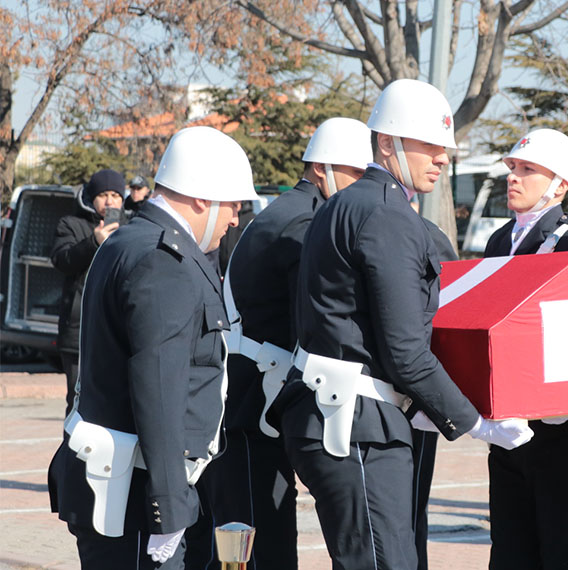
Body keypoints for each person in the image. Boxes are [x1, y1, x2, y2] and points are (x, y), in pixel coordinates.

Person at [270, 79, 533, 570]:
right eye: (429, 146)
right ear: (387, 142)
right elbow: (406, 351)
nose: (442, 159)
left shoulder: (349, 203)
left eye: (445, 149)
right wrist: (477, 422)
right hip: (356, 424)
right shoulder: (387, 214)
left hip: (344, 414)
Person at [47, 126, 257, 569]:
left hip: (125, 481)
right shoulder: (164, 261)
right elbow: (158, 391)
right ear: (202, 197)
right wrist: (169, 509)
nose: (236, 218)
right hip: (138, 492)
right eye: (234, 204)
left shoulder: (132, 239)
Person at [198, 117, 372, 570]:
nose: (363, 186)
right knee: (261, 551)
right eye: (357, 173)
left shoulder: (289, 211)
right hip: (252, 409)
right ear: (322, 169)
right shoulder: (306, 222)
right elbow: (318, 321)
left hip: (250, 402)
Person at [482, 129, 568, 570]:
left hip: (564, 433)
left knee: (562, 556)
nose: (514, 177)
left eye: (528, 170)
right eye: (513, 168)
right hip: (508, 430)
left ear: (561, 184)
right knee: (510, 553)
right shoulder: (498, 241)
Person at [50, 169, 126, 415]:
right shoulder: (70, 224)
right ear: (92, 197)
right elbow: (62, 259)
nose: (110, 201)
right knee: (78, 402)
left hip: (117, 330)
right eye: (103, 194)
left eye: (116, 195)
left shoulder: (131, 227)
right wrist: (93, 242)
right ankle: (71, 453)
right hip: (78, 330)